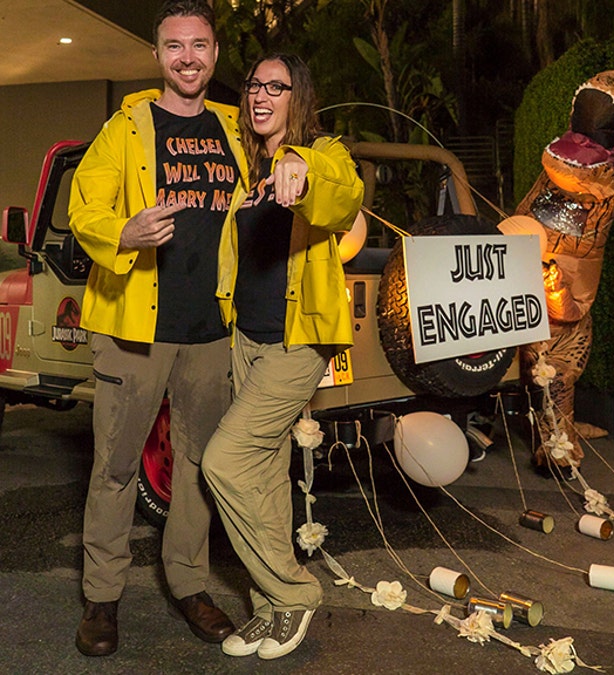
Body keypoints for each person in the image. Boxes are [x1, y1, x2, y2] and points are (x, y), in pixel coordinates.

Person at [68, 0, 244, 656]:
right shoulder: (126, 127)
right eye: (175, 46)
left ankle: (190, 584)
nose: (187, 58)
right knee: (115, 467)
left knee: (197, 466)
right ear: (157, 55)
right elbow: (84, 205)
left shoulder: (237, 127)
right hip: (135, 329)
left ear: (215, 53)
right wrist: (124, 231)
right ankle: (102, 596)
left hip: (214, 329)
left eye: (199, 45)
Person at [200, 53, 363, 661]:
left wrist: (301, 167)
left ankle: (294, 591)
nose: (261, 95)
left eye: (277, 86)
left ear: (300, 96)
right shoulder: (251, 172)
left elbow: (343, 192)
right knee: (264, 475)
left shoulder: (319, 153)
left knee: (223, 461)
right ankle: (269, 609)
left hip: (298, 342)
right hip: (248, 338)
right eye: (254, 85)